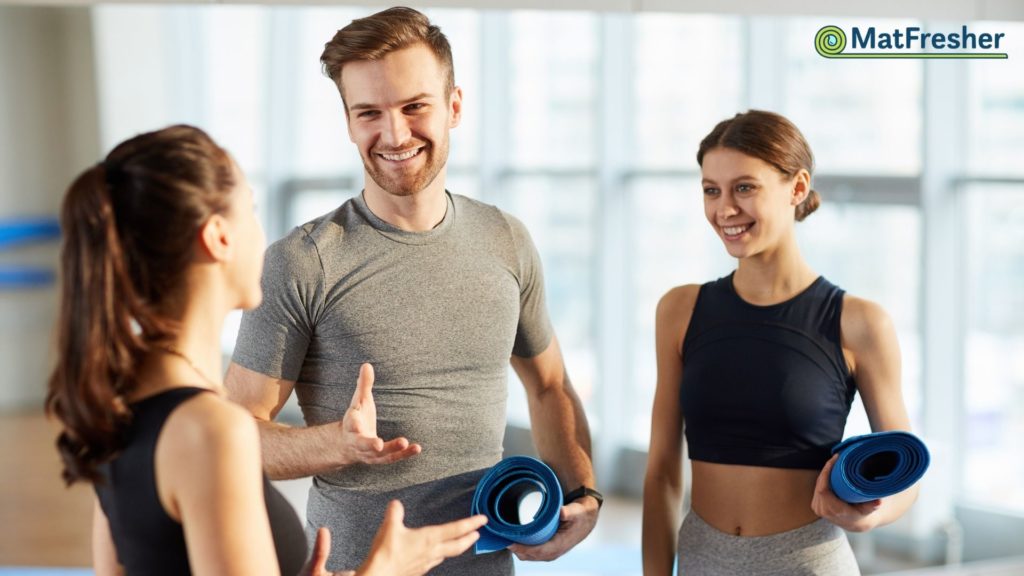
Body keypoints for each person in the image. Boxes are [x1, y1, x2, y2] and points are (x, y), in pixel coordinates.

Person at [224, 7, 600, 575]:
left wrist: (584, 495)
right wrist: (336, 444)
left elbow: (549, 387)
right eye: (369, 112)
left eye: (414, 106)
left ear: (453, 107)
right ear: (349, 122)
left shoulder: (506, 240)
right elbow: (233, 436)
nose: (394, 133)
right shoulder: (302, 262)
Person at [45, 124, 487, 576]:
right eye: (250, 210)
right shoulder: (211, 431)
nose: (263, 235)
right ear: (218, 236)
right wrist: (384, 570)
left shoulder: (117, 411)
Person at [642, 110, 920, 575]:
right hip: (701, 559)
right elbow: (661, 473)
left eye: (744, 188)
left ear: (796, 188)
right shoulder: (679, 310)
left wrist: (869, 515)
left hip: (807, 562)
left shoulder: (859, 323)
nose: (724, 209)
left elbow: (906, 475)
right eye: (712, 190)